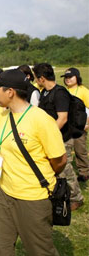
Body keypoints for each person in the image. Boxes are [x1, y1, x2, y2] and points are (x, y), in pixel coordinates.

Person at [0, 69, 66, 256]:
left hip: (33, 198)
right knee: (2, 251)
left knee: (42, 254)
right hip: (5, 194)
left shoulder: (41, 120)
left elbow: (60, 160)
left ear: (10, 92)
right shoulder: (4, 115)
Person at [33, 63, 84, 211]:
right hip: (50, 137)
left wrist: (49, 136)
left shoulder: (60, 93)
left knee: (65, 169)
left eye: (36, 77)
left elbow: (62, 118)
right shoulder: (45, 93)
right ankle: (58, 195)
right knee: (53, 169)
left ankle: (76, 198)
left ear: (42, 78)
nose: (35, 80)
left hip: (62, 138)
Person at [61, 67, 89, 182]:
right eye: (66, 77)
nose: (68, 79)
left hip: (79, 126)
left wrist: (87, 124)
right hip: (66, 127)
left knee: (80, 150)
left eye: (70, 77)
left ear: (77, 78)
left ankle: (84, 172)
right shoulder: (63, 91)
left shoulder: (84, 91)